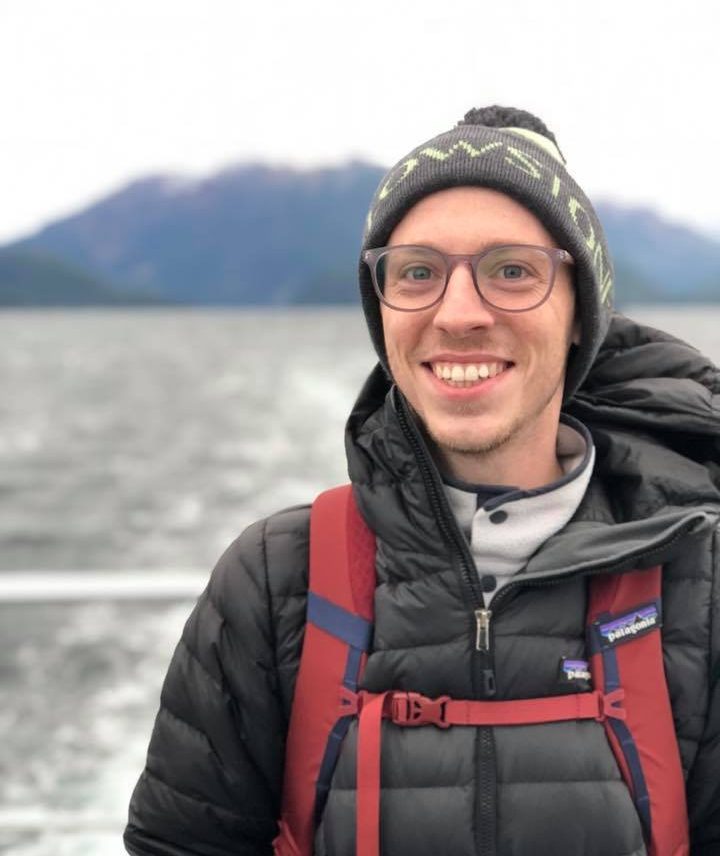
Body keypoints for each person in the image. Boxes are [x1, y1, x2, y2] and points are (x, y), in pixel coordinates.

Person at [123, 106, 720, 856]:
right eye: (417, 273)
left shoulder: (697, 577)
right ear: (382, 312)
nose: (459, 314)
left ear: (581, 315)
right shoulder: (276, 581)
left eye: (512, 270)